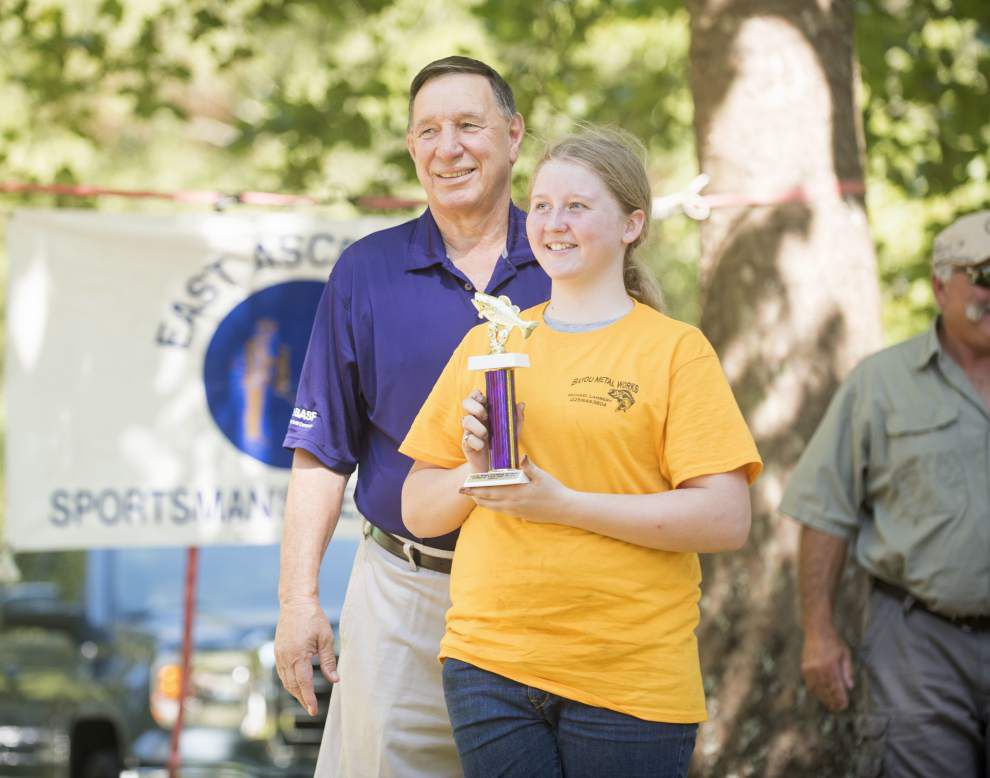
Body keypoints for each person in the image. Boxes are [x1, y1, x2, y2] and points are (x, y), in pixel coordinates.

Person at [399, 127, 762, 777]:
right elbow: (419, 512)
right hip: (489, 664)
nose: (553, 224)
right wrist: (472, 476)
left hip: (630, 672)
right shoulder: (491, 343)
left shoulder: (675, 351)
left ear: (632, 224)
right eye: (541, 206)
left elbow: (725, 518)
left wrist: (563, 504)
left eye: (576, 206)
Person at [274, 56, 550, 778]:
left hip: (547, 590)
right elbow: (322, 452)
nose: (447, 147)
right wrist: (298, 600)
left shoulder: (569, 259)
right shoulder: (365, 272)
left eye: (468, 125)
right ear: (410, 148)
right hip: (406, 591)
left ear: (514, 135)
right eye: (428, 131)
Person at [780, 210, 990, 777]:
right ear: (940, 286)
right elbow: (825, 510)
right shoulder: (881, 382)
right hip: (921, 644)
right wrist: (818, 633)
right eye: (984, 276)